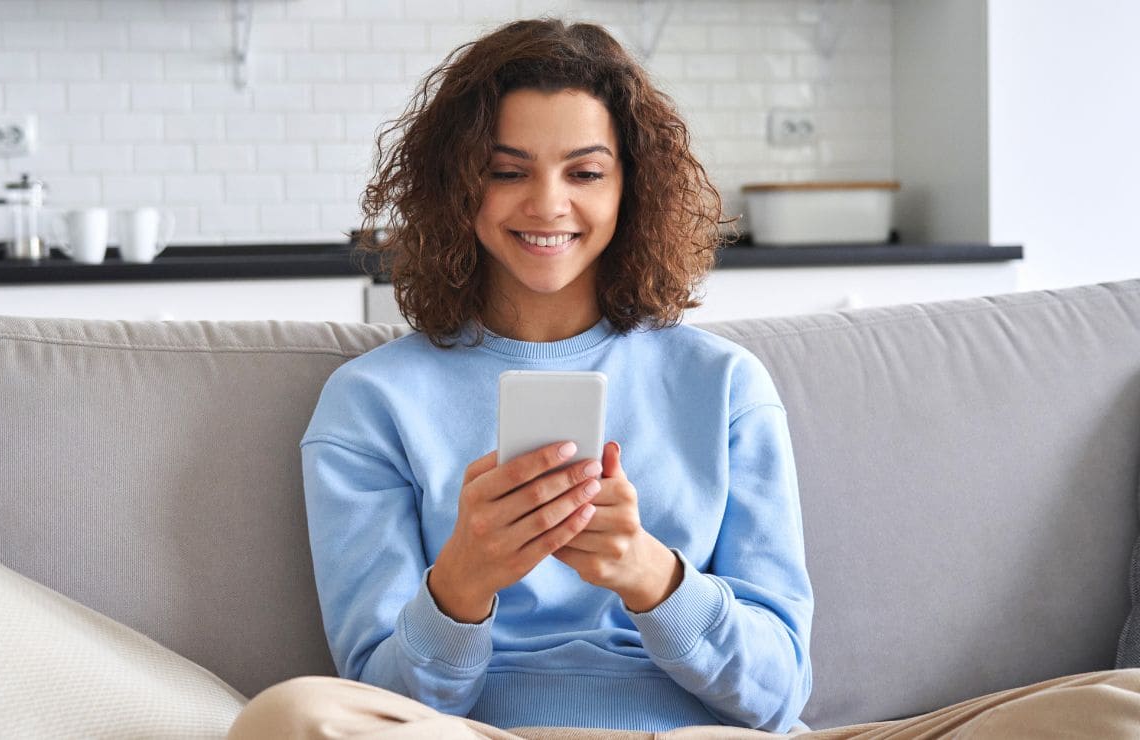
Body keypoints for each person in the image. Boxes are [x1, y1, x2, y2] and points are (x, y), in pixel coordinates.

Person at [229, 17, 1140, 740]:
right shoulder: (373, 402)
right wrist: (463, 582)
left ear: (632, 190)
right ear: (457, 189)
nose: (548, 205)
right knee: (288, 717)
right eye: (508, 173)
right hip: (482, 736)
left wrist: (651, 574)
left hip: (704, 738)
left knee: (1117, 708)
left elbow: (780, 693)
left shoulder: (724, 384)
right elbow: (375, 696)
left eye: (585, 171)